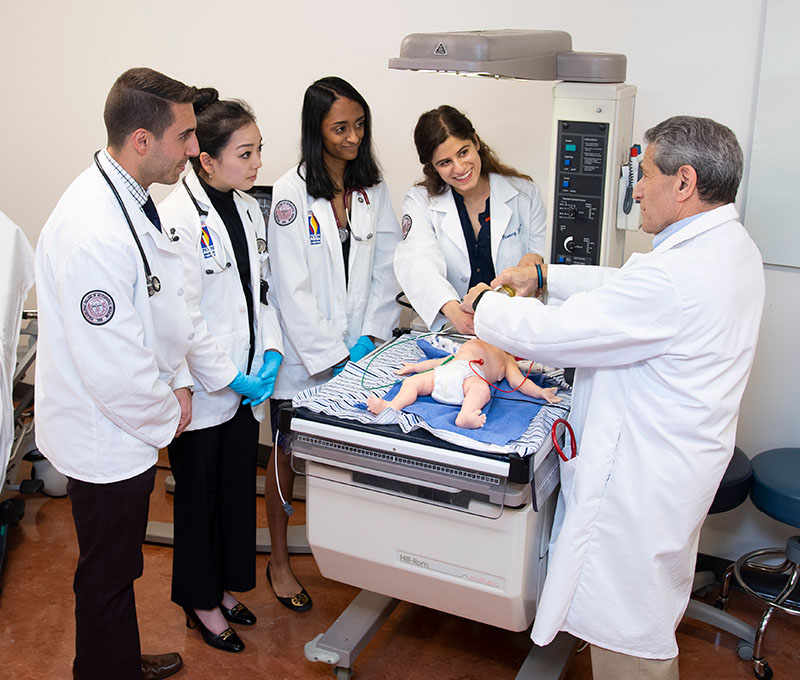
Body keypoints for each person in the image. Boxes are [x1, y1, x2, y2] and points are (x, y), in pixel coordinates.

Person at [460, 116, 765, 679]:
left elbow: (558, 333)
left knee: (630, 637)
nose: (636, 190)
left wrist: (486, 306)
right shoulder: (728, 247)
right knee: (637, 617)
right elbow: (627, 289)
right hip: (676, 468)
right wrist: (545, 277)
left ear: (685, 182)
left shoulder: (679, 279)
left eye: (643, 175)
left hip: (640, 486)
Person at [34, 68, 265, 680]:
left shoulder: (126, 199)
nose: (195, 149)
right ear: (143, 139)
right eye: (186, 136)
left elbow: (158, 304)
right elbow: (113, 367)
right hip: (105, 432)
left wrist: (182, 380)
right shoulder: (93, 232)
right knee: (108, 573)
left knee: (117, 569)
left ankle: (114, 658)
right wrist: (172, 412)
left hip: (131, 420)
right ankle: (106, 671)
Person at [266, 76, 401, 610]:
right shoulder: (289, 193)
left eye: (359, 125)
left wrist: (370, 334)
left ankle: (356, 556)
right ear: (315, 131)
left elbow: (387, 265)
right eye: (340, 128)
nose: (353, 137)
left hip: (360, 350)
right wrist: (334, 357)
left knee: (353, 458)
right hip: (307, 359)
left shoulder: (372, 187)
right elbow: (290, 288)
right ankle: (278, 560)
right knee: (284, 460)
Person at [158, 92, 283, 652]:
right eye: (246, 154)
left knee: (236, 492)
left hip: (246, 385)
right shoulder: (176, 218)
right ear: (205, 159)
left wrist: (271, 354)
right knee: (198, 498)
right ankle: (200, 602)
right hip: (206, 391)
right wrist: (227, 376)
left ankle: (226, 588)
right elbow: (181, 315)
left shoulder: (248, 206)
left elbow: (260, 294)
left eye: (259, 151)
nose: (257, 164)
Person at [394, 105, 547, 334]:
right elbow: (418, 262)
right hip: (453, 330)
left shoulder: (524, 194)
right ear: (433, 168)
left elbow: (541, 261)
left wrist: (532, 265)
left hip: (517, 328)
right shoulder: (421, 201)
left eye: (463, 152)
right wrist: (454, 312)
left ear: (475, 141)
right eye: (444, 163)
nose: (459, 168)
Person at [366, 338, 560, 428]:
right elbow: (442, 361)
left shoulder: (506, 358)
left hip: (471, 377)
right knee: (412, 383)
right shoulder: (472, 343)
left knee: (481, 389)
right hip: (449, 372)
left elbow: (519, 382)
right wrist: (415, 368)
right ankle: (390, 405)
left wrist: (540, 392)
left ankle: (465, 415)